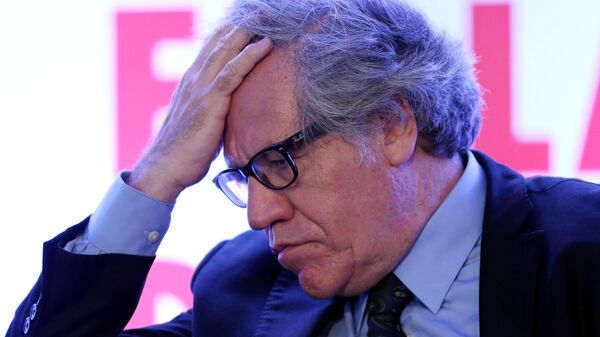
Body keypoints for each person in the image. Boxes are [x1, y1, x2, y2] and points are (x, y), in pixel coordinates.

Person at [6, 0, 600, 336]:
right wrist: (158, 174)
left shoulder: (584, 253)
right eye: (244, 176)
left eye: (278, 162)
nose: (259, 216)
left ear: (391, 126)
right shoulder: (240, 288)